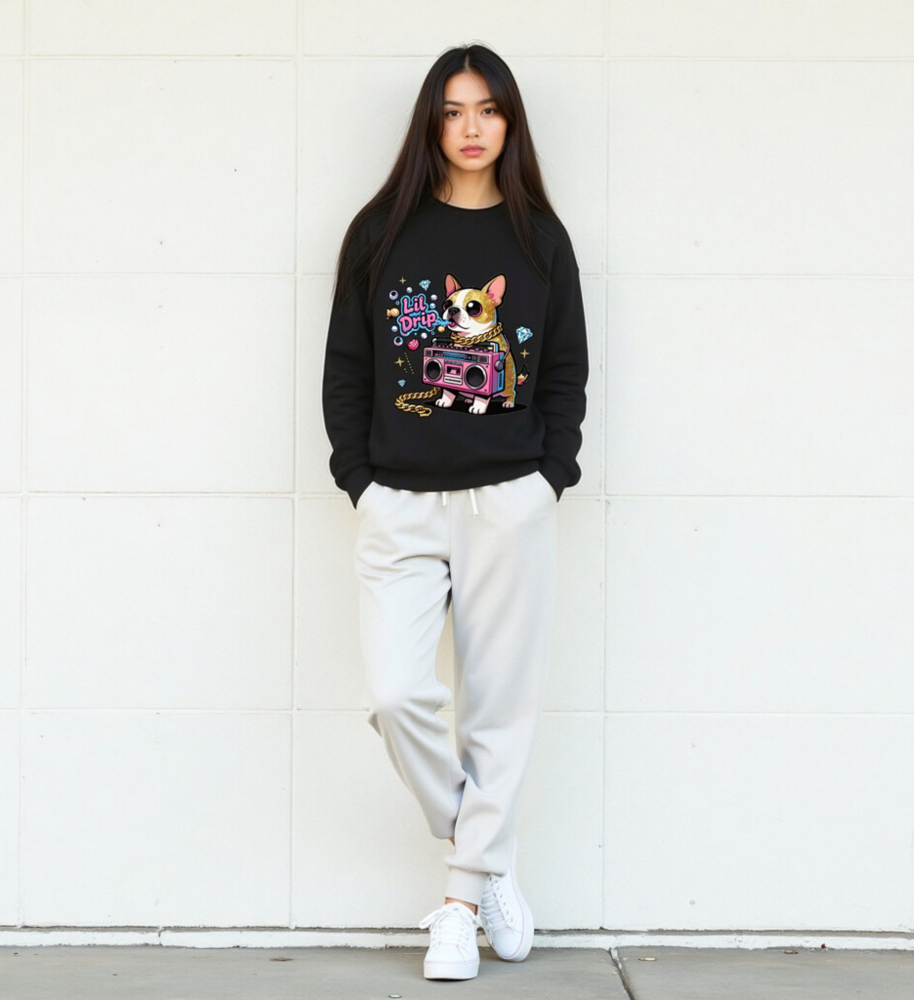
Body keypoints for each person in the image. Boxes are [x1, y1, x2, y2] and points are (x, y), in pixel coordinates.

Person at [321, 42, 588, 982]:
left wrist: (548, 477)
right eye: (452, 111)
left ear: (510, 122)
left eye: (488, 110)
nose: (471, 128)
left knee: (499, 711)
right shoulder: (380, 232)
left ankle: (460, 905)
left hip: (507, 501)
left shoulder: (539, 240)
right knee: (396, 696)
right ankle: (490, 854)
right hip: (399, 503)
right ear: (430, 124)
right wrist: (360, 478)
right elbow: (348, 370)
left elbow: (564, 374)